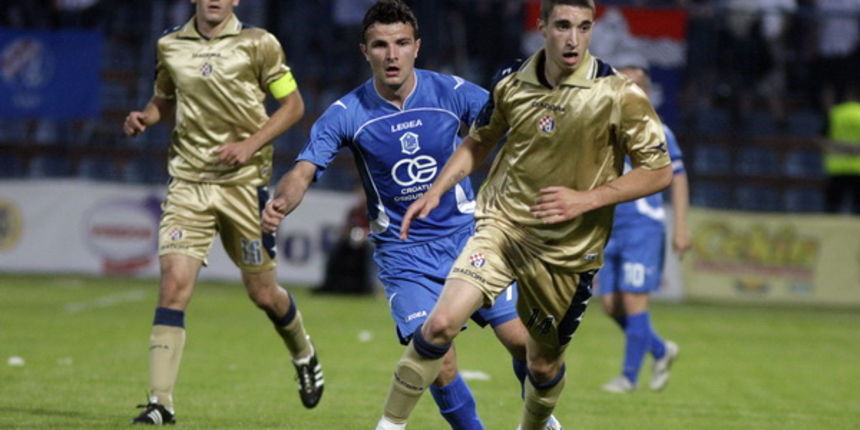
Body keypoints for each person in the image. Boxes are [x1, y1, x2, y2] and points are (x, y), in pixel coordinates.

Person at [262, 2, 559, 429]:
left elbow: (513, 121)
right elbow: (304, 170)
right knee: (440, 361)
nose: (392, 54)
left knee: (520, 343)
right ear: (366, 51)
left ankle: (543, 422)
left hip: (468, 239)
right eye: (380, 45)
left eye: (401, 43)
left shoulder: (451, 93)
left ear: (416, 47)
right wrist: (281, 202)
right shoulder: (347, 114)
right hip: (406, 255)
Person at [381, 0, 673, 428]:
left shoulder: (619, 94)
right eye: (562, 26)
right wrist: (437, 189)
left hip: (567, 253)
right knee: (440, 326)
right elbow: (479, 141)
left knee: (541, 367)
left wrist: (585, 200)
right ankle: (388, 425)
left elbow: (660, 172)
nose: (573, 39)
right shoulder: (511, 81)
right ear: (542, 27)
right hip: (501, 227)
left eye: (583, 27)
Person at [122, 0, 323, 424]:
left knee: (263, 294)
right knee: (173, 287)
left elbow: (294, 106)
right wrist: (146, 117)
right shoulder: (170, 45)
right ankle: (161, 402)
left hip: (243, 187)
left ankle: (303, 353)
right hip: (189, 186)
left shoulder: (259, 44)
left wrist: (249, 146)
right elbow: (163, 98)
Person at [597, 64, 689, 393]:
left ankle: (628, 378)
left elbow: (678, 179)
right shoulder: (603, 128)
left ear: (647, 93)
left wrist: (680, 227)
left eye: (635, 86)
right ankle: (661, 350)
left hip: (642, 227)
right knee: (610, 305)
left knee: (635, 300)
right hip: (611, 227)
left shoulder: (659, 130)